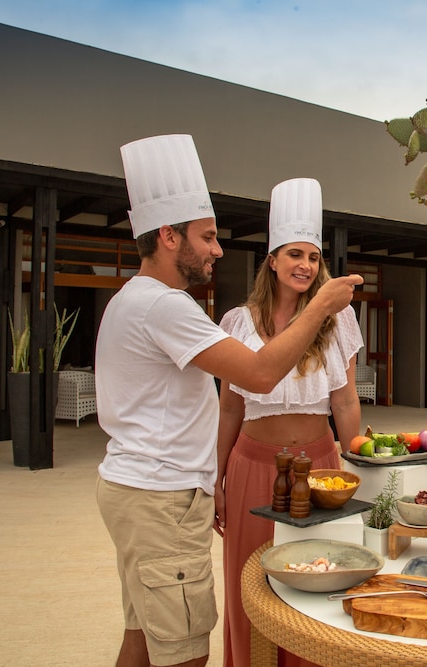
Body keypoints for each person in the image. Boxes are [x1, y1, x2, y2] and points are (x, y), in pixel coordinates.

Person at [95, 135, 361, 667]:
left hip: (142, 487)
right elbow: (256, 378)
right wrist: (320, 308)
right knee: (184, 649)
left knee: (144, 634)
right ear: (169, 236)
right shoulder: (168, 308)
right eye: (208, 237)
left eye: (314, 256)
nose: (217, 249)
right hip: (162, 496)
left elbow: (343, 400)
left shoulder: (135, 299)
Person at [215, 177, 363, 667]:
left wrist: (357, 465)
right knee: (252, 583)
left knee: (316, 582)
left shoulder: (337, 320)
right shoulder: (237, 323)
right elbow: (230, 408)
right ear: (272, 260)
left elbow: (345, 402)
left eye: (314, 258)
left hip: (320, 467)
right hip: (252, 467)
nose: (305, 266)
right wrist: (217, 477)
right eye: (295, 254)